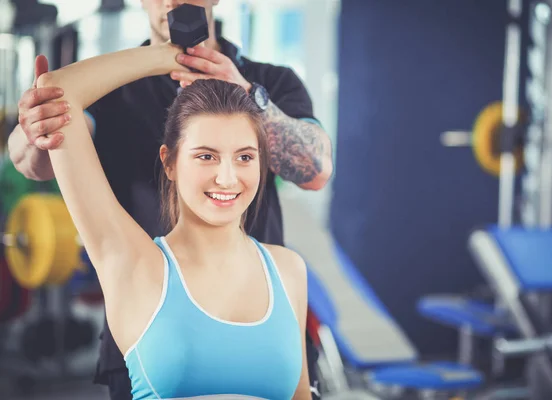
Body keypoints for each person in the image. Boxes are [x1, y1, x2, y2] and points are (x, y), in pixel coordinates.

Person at [8, 1, 333, 399]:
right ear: (171, 162)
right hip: (152, 317)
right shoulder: (116, 94)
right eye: (206, 155)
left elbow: (316, 170)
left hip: (266, 313)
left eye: (245, 156)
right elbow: (38, 143)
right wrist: (165, 57)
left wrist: (247, 92)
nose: (226, 177)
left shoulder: (270, 81)